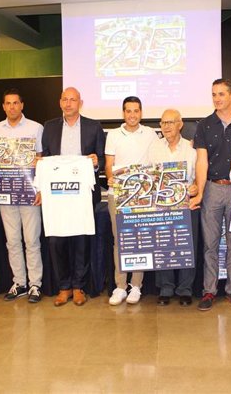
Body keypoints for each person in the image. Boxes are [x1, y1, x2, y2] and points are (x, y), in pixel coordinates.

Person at [192, 78, 231, 311]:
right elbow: (201, 161)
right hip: (212, 189)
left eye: (221, 94)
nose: (217, 98)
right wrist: (199, 192)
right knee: (209, 244)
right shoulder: (204, 125)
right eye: (213, 94)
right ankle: (209, 290)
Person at [41, 87, 105, 307]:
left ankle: (79, 286)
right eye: (65, 99)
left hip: (82, 196)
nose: (68, 103)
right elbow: (46, 160)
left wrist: (97, 162)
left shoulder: (93, 126)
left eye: (73, 100)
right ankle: (64, 287)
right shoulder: (49, 127)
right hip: (56, 196)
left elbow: (102, 159)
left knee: (81, 241)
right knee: (56, 241)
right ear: (60, 102)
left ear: (81, 102)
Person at [0, 89, 44, 304]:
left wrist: (39, 188)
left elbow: (40, 159)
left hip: (29, 192)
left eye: (15, 103)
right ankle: (19, 282)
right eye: (8, 103)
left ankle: (35, 284)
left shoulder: (35, 128)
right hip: (6, 193)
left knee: (32, 240)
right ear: (3, 106)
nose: (12, 107)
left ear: (22, 105)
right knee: (12, 241)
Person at [105, 96, 158, 306]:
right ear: (123, 113)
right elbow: (109, 164)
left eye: (136, 111)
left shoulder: (151, 134)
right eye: (129, 111)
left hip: (142, 195)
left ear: (141, 113)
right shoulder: (113, 135)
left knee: (141, 241)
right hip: (117, 194)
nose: (132, 115)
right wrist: (111, 176)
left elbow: (158, 159)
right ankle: (120, 286)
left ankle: (136, 285)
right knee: (120, 241)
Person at [148, 109, 199, 306]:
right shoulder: (154, 148)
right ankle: (166, 288)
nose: (166, 126)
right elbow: (149, 175)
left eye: (170, 122)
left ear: (180, 124)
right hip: (161, 206)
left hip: (185, 203)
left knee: (187, 246)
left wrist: (195, 187)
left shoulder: (191, 149)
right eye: (163, 123)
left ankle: (185, 289)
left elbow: (197, 176)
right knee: (163, 245)